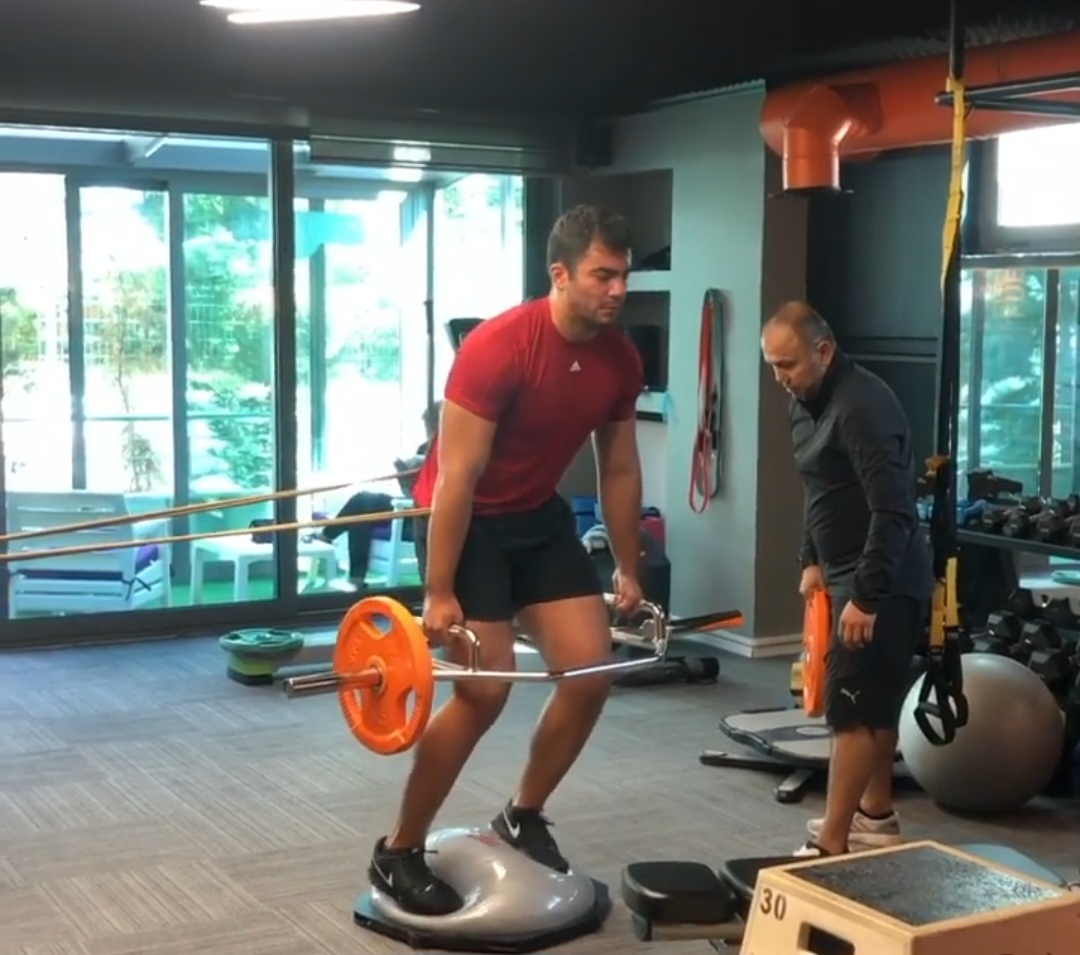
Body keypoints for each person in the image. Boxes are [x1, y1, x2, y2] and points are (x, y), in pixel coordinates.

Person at [368, 204, 647, 916]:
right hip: (470, 525)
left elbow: (618, 468)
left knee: (589, 674)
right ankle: (398, 849)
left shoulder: (619, 359)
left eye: (624, 275)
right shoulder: (499, 347)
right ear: (561, 274)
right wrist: (438, 590)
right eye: (603, 275)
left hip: (537, 518)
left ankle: (523, 812)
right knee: (485, 691)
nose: (618, 290)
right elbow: (456, 478)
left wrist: (629, 566)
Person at [760, 301, 933, 859]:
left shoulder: (863, 406)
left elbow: (894, 510)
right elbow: (819, 488)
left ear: (824, 350)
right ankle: (875, 817)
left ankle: (831, 843)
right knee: (872, 706)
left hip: (883, 579)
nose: (780, 378)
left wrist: (866, 595)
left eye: (787, 365)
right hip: (840, 573)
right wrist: (809, 558)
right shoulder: (803, 403)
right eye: (772, 366)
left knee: (850, 712)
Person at [317, 403, 440, 586]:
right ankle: (356, 579)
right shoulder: (424, 448)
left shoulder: (449, 450)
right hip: (411, 502)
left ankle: (326, 537)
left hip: (422, 514)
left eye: (429, 424)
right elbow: (411, 489)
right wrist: (404, 476)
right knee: (361, 506)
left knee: (361, 507)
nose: (427, 429)